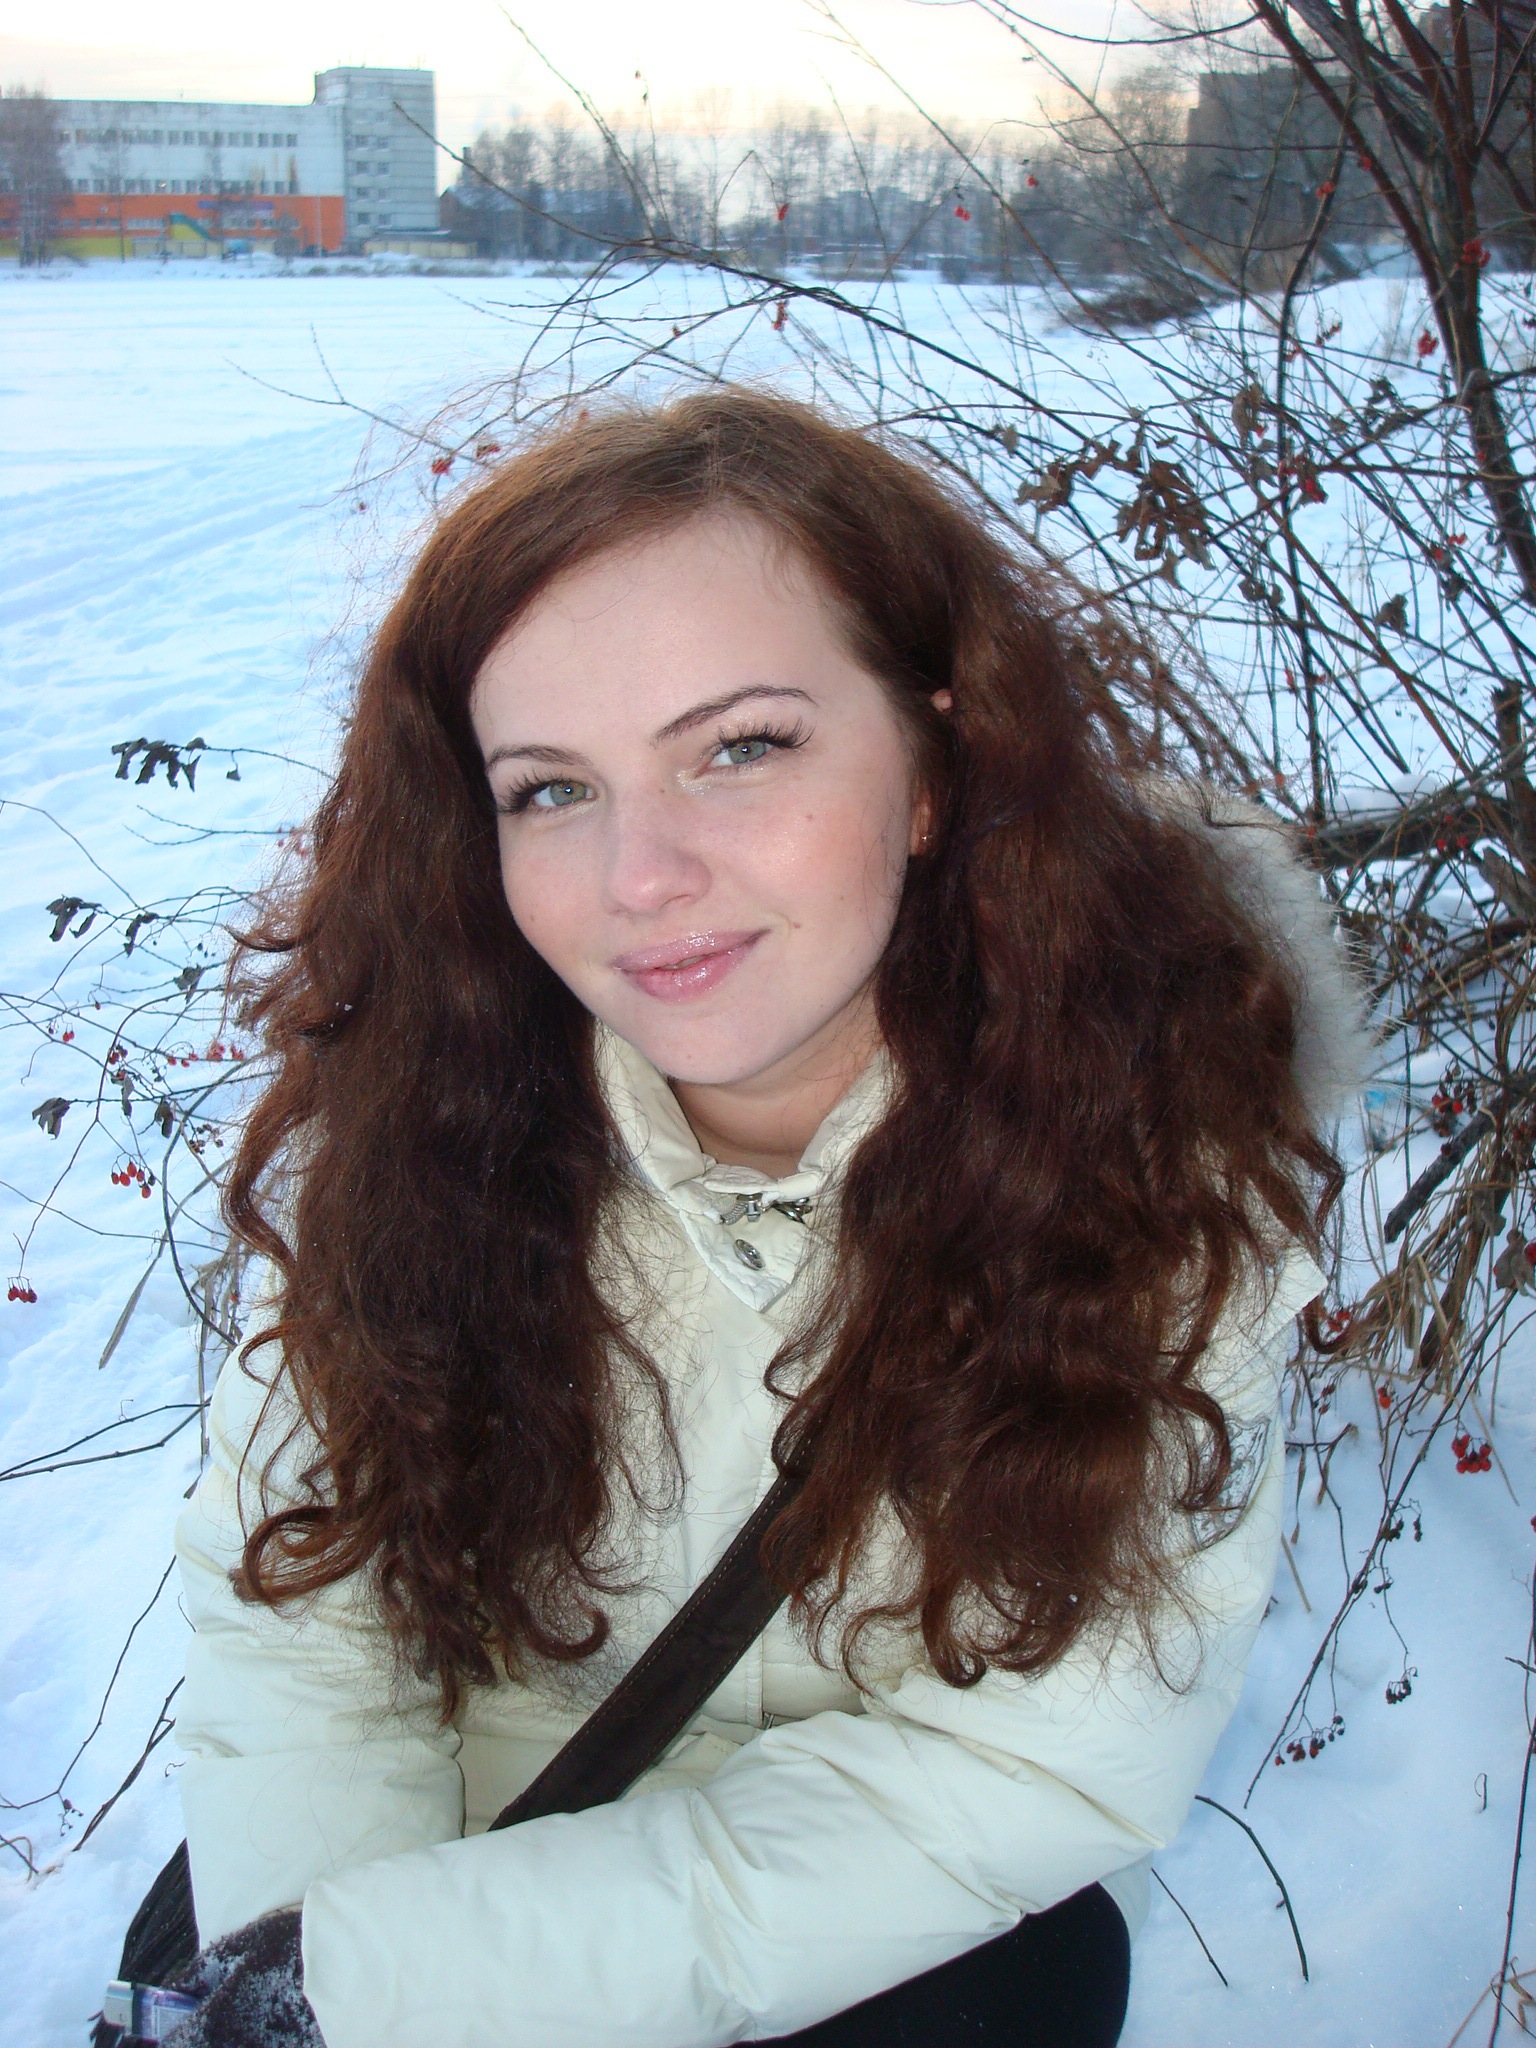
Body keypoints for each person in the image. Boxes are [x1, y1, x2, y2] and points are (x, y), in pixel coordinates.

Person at [163, 389, 1359, 2048]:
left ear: (934, 767)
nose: (640, 875)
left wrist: (403, 1983)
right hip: (446, 1855)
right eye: (549, 789)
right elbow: (306, 1635)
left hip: (885, 1914)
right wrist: (325, 1982)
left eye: (742, 747)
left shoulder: (1148, 1177)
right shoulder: (429, 1124)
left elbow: (1028, 1764)